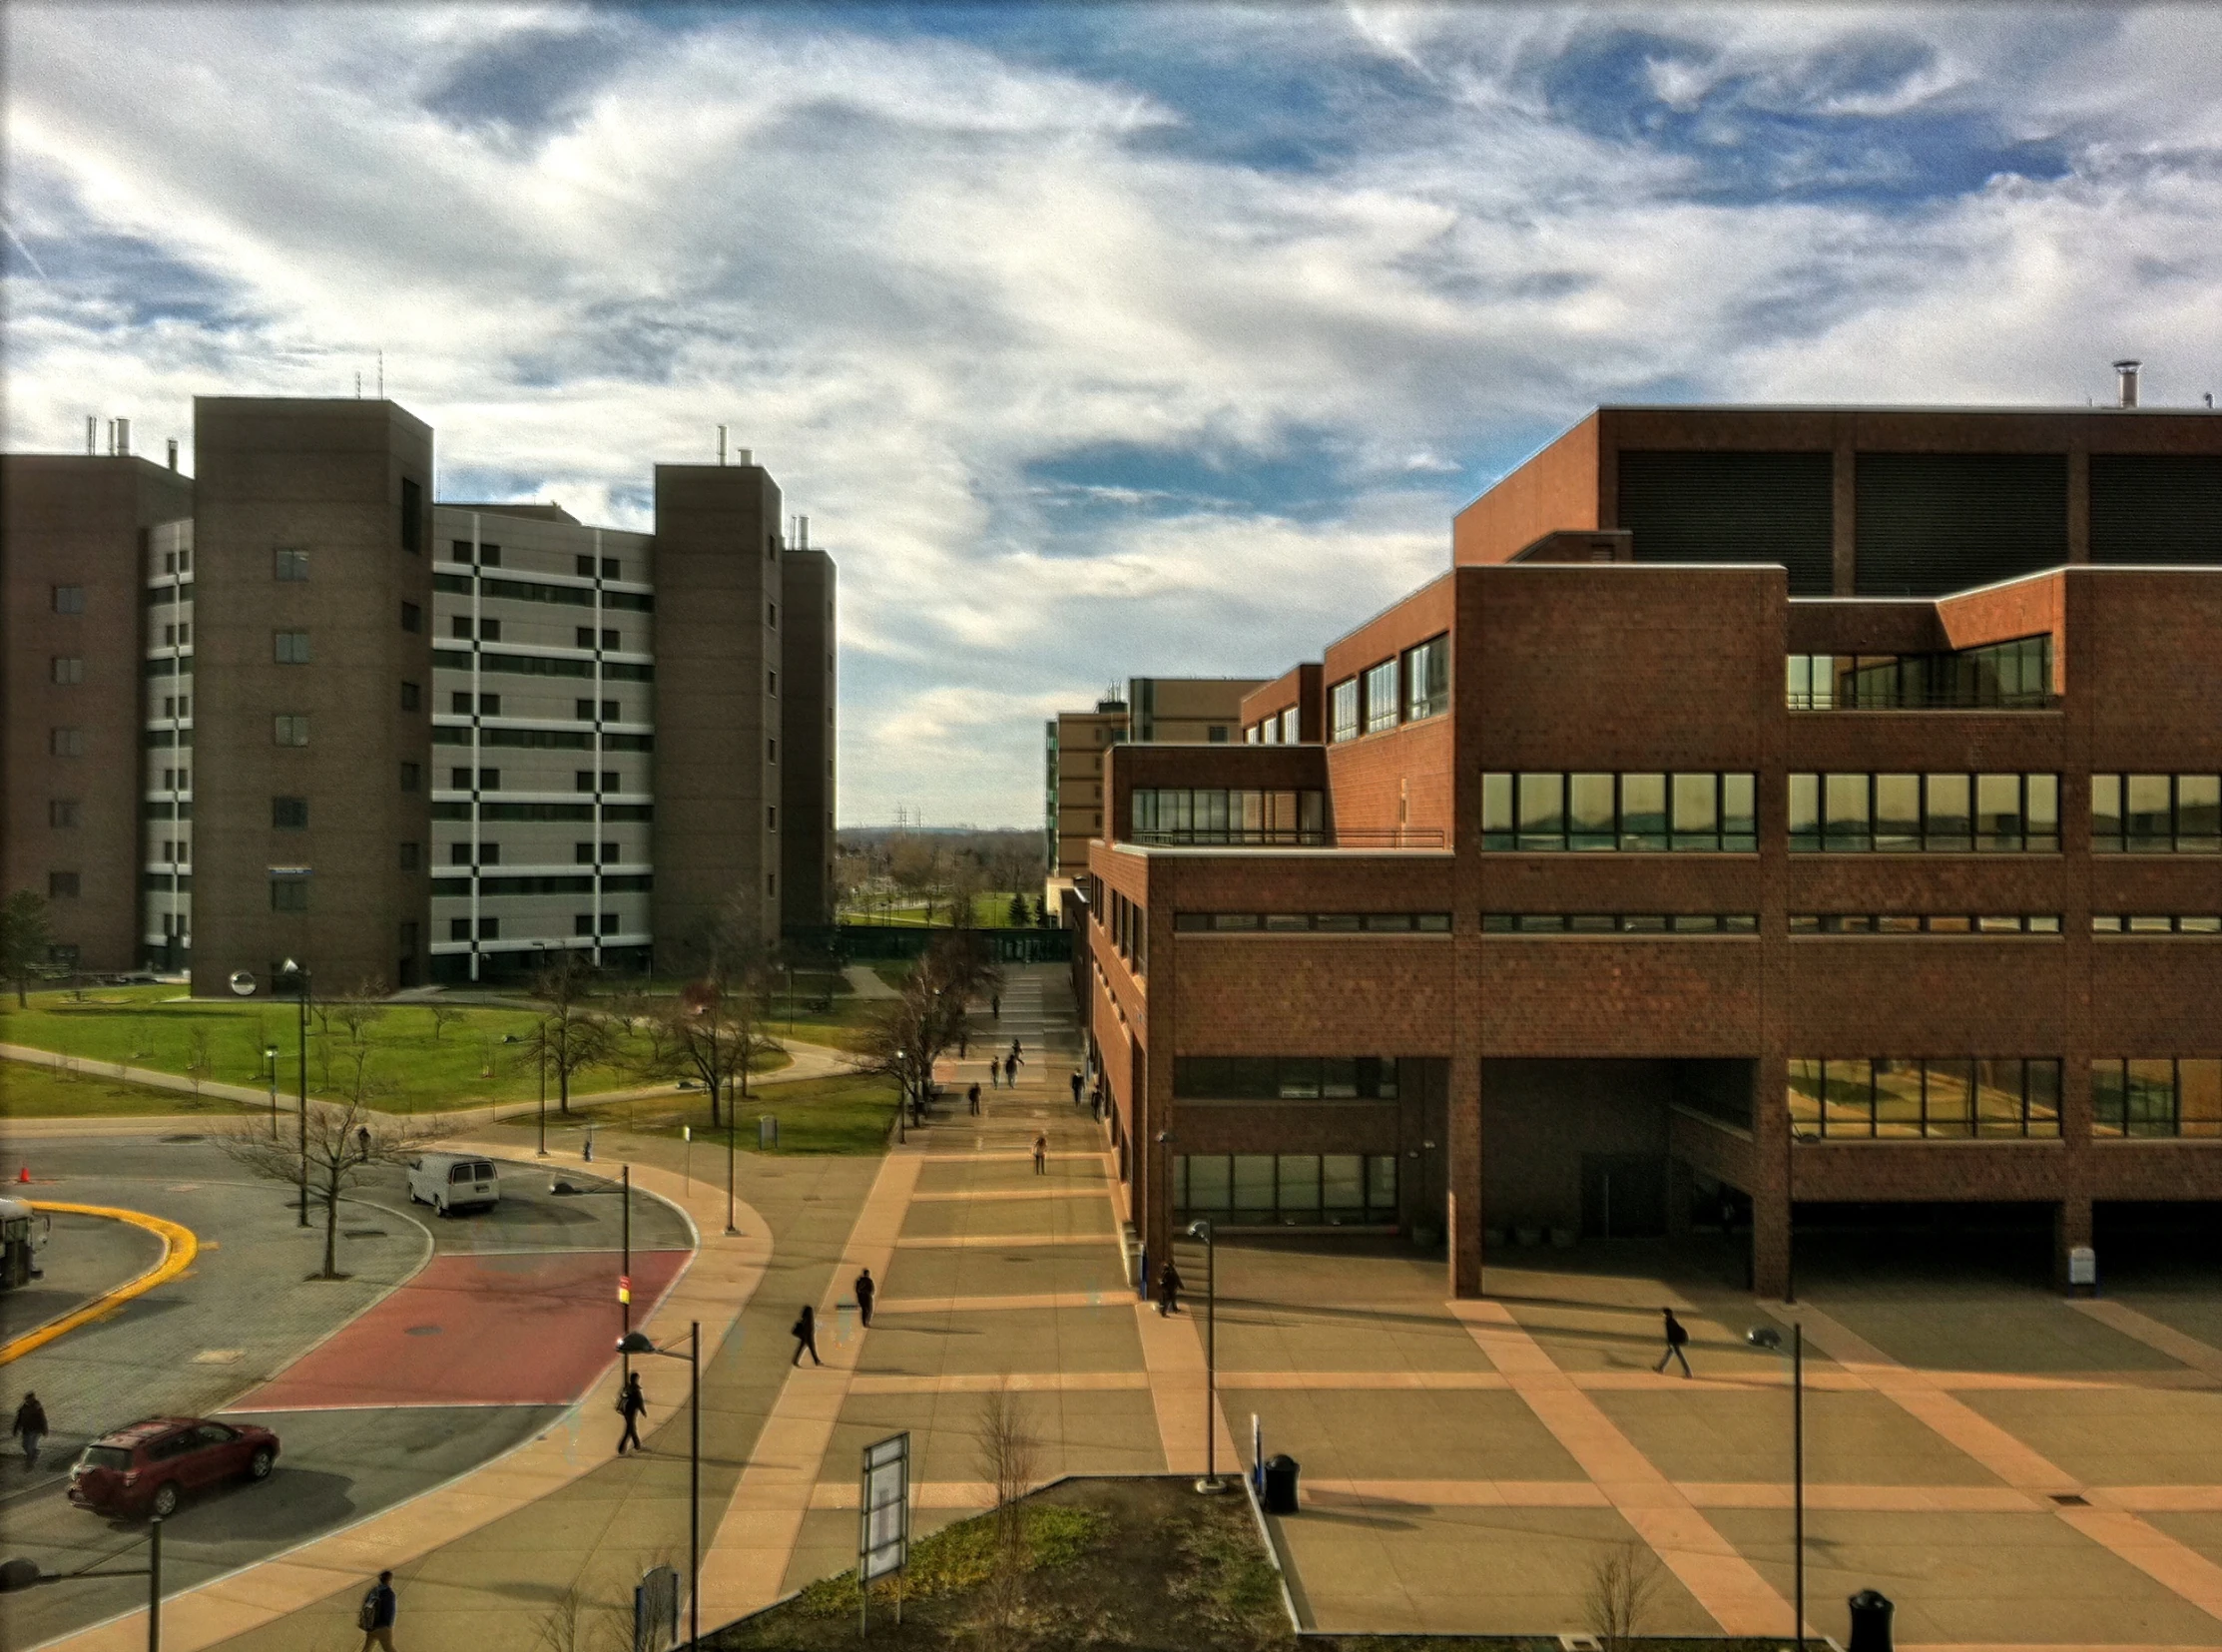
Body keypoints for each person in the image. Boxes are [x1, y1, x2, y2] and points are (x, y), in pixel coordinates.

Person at [357, 1570, 398, 1652]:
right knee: (389, 1648)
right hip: (383, 1627)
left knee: (367, 1649)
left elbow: (367, 1606)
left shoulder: (374, 1591)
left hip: (372, 1626)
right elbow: (390, 1612)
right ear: (389, 1580)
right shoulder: (389, 1594)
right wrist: (389, 1625)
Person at [12, 1391, 48, 1470]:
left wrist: (45, 1430)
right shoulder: (23, 1408)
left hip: (35, 1430)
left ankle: (29, 1464)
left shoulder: (37, 1407)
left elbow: (42, 1419)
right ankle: (34, 1454)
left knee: (30, 1447)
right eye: (26, 1399)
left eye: (28, 1399)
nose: (27, 1401)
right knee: (25, 1446)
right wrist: (15, 1430)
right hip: (26, 1430)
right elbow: (18, 1420)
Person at [1655, 1308, 1692, 1377]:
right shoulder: (1671, 1321)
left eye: (1664, 1313)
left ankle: (1688, 1372)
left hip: (1677, 1340)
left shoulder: (1669, 1322)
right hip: (1677, 1340)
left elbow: (1671, 1334)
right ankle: (1660, 1368)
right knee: (1669, 1354)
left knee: (1680, 1356)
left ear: (1667, 1314)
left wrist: (1670, 1343)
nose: (1662, 1315)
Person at [615, 1373, 647, 1454]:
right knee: (630, 1429)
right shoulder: (636, 1390)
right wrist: (643, 1411)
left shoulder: (628, 1388)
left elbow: (622, 1396)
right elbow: (640, 1401)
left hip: (626, 1411)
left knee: (631, 1429)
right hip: (632, 1412)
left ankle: (636, 1445)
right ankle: (623, 1448)